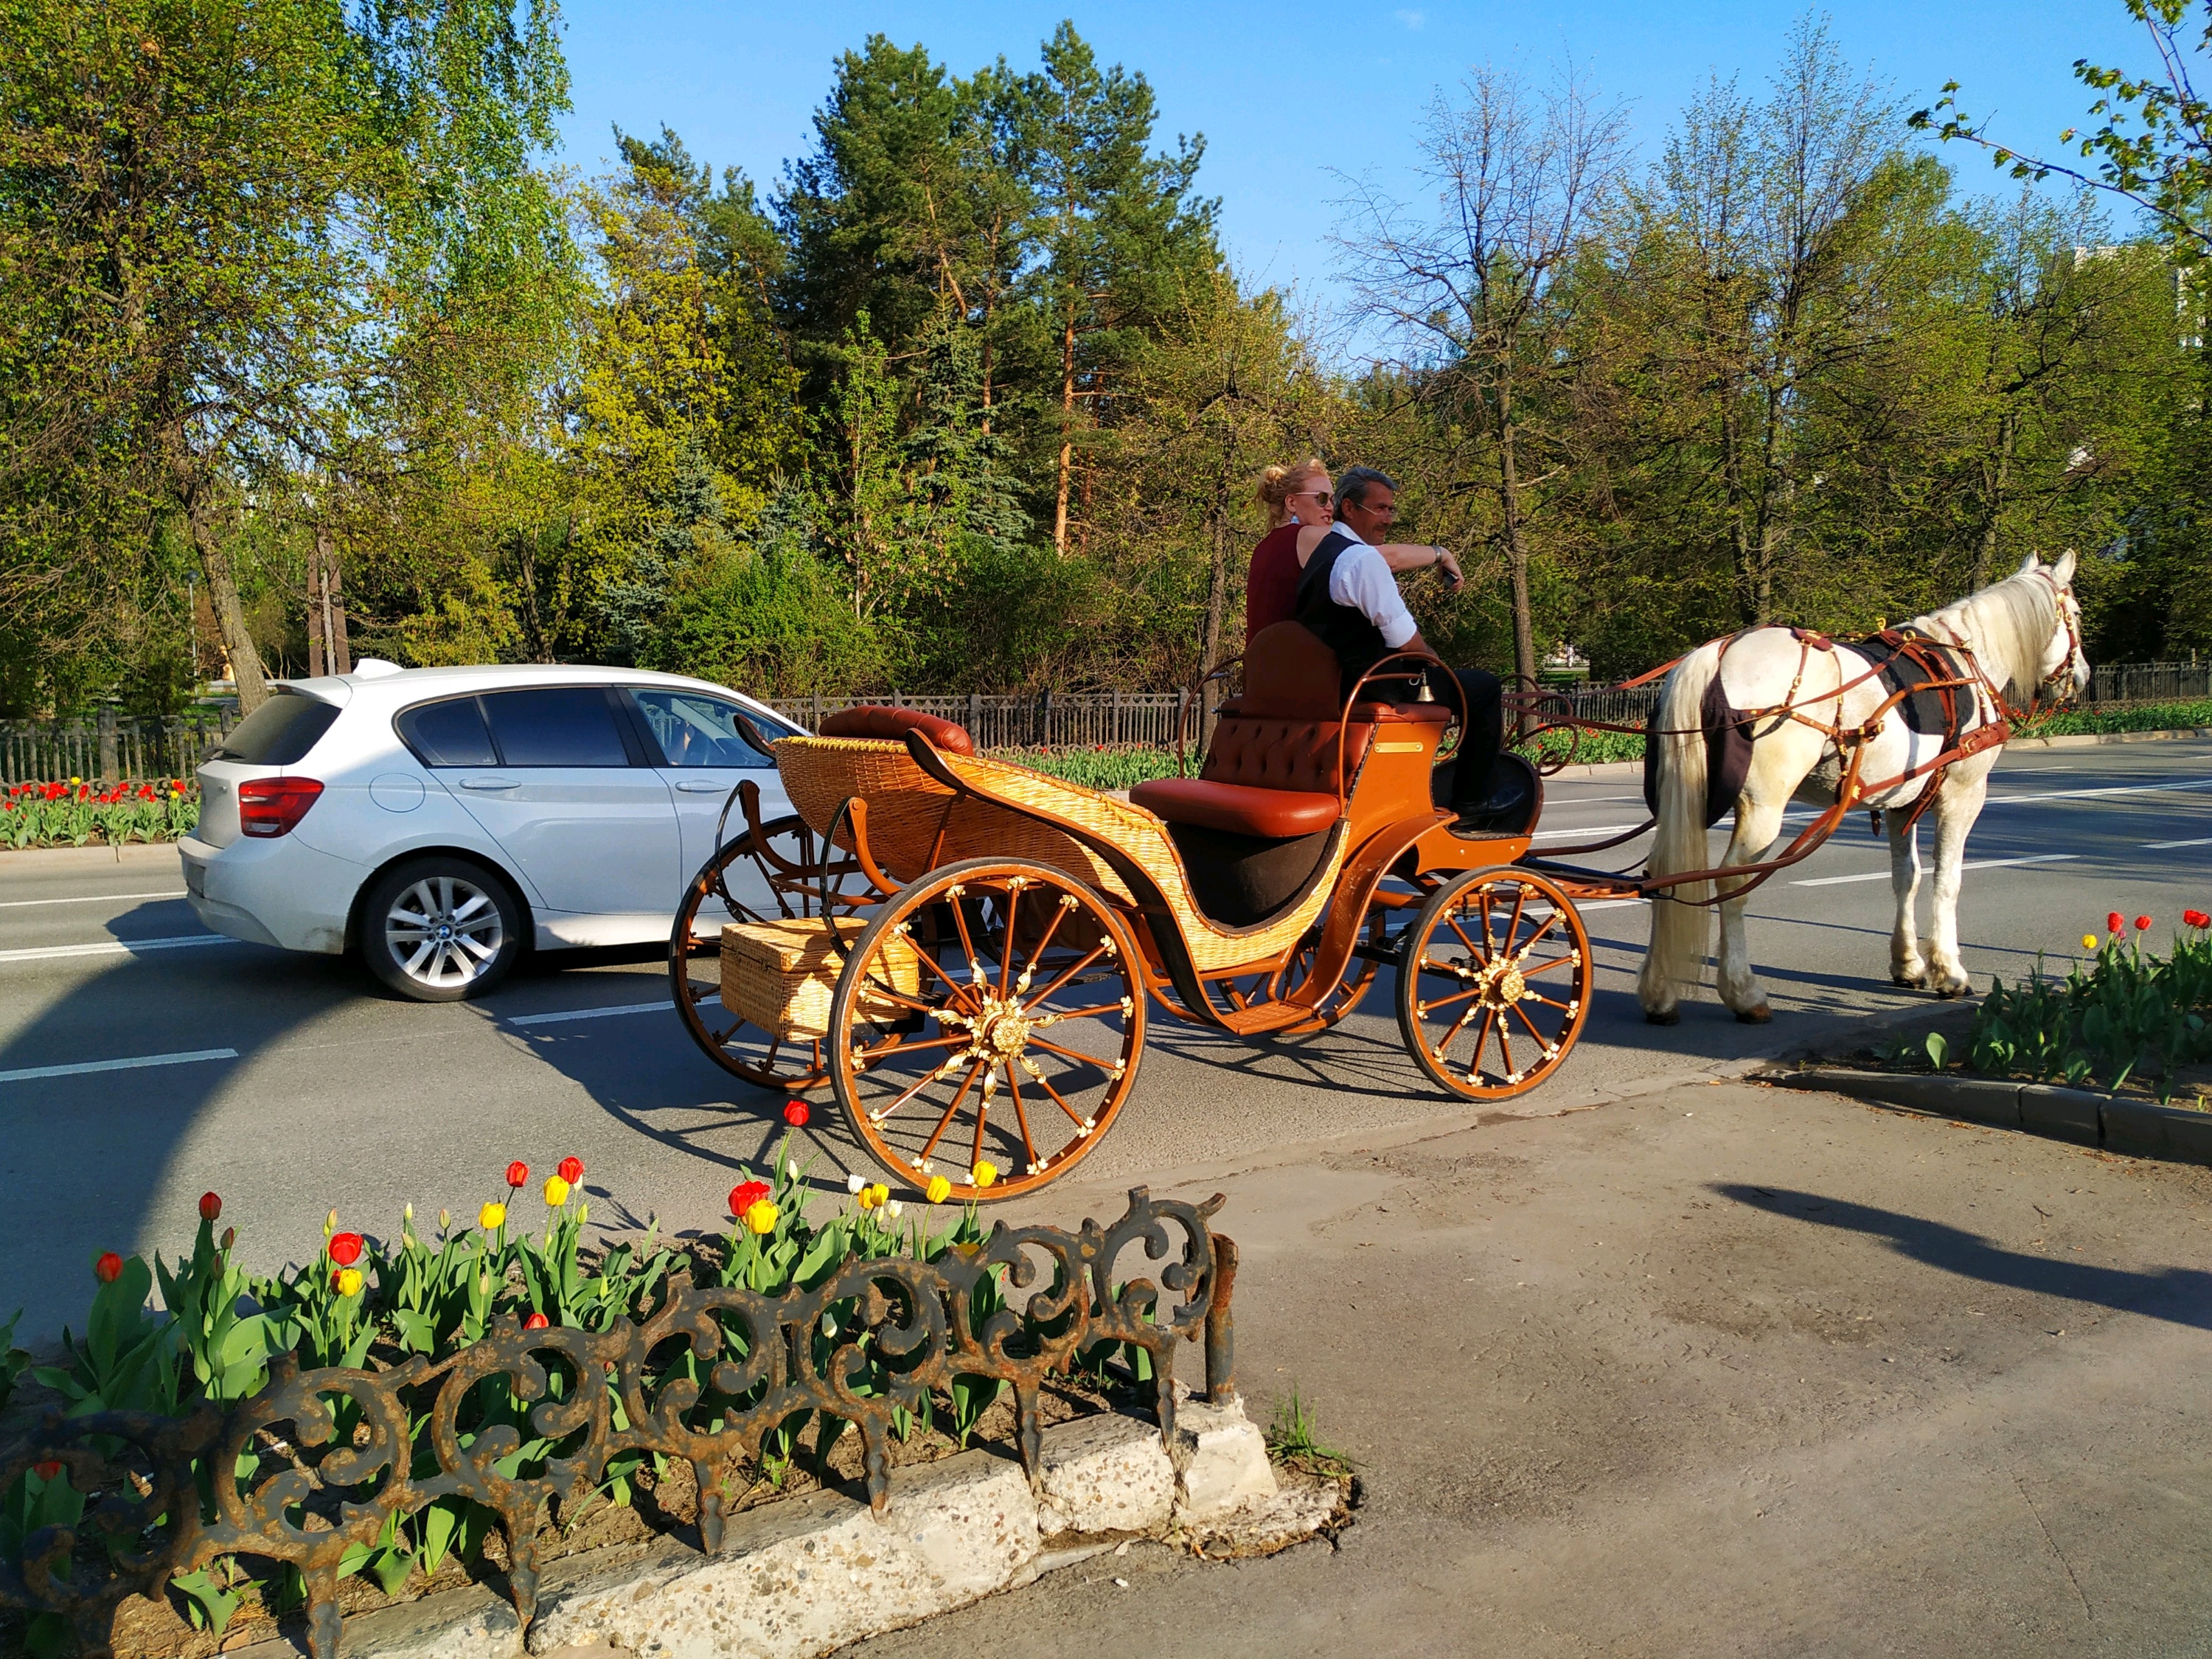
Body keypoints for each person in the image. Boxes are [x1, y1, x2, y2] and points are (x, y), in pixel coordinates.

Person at [1291, 465, 1522, 831]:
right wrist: (1438, 668)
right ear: (1349, 508)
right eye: (1379, 509)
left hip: (1336, 684)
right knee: (1482, 688)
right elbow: (1406, 642)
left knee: (1463, 684)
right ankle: (1474, 800)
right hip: (1377, 683)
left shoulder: (1325, 553)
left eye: (1390, 510)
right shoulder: (1362, 560)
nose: (1387, 519)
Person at [1246, 460, 1464, 646]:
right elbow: (1381, 559)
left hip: (1262, 675)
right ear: (1292, 502)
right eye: (1321, 498)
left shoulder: (1263, 547)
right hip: (1298, 675)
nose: (1330, 508)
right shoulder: (1308, 536)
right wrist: (1440, 553)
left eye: (1332, 500)